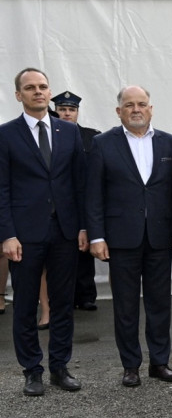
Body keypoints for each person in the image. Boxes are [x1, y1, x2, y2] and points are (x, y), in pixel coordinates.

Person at [0, 68, 88, 396]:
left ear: (49, 92)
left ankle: (60, 367)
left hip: (65, 231)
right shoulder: (6, 135)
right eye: (30, 88)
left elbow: (79, 183)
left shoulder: (69, 132)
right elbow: (2, 188)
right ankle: (32, 370)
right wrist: (7, 233)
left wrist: (82, 226)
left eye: (43, 87)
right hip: (25, 234)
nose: (38, 92)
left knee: (64, 302)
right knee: (25, 304)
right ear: (18, 95)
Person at [86, 86, 172, 386]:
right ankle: (130, 366)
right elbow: (93, 196)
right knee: (125, 305)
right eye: (129, 105)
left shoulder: (167, 143)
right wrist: (97, 236)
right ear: (119, 111)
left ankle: (160, 362)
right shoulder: (102, 144)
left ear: (151, 109)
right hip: (121, 237)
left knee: (159, 303)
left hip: (159, 237)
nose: (136, 109)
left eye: (142, 104)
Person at [53, 90, 101, 311]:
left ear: (77, 112)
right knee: (60, 254)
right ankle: (65, 297)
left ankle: (86, 294)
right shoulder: (48, 134)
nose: (66, 113)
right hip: (58, 200)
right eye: (62, 109)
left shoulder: (92, 136)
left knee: (84, 249)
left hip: (83, 199)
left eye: (71, 110)